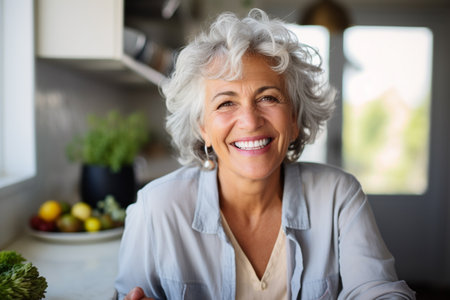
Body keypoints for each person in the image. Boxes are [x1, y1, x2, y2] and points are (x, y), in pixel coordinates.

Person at [115, 8, 415, 300]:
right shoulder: (155, 208)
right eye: (225, 103)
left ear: (294, 119)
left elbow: (378, 290)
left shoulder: (338, 197)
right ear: (202, 128)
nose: (250, 121)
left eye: (268, 97)